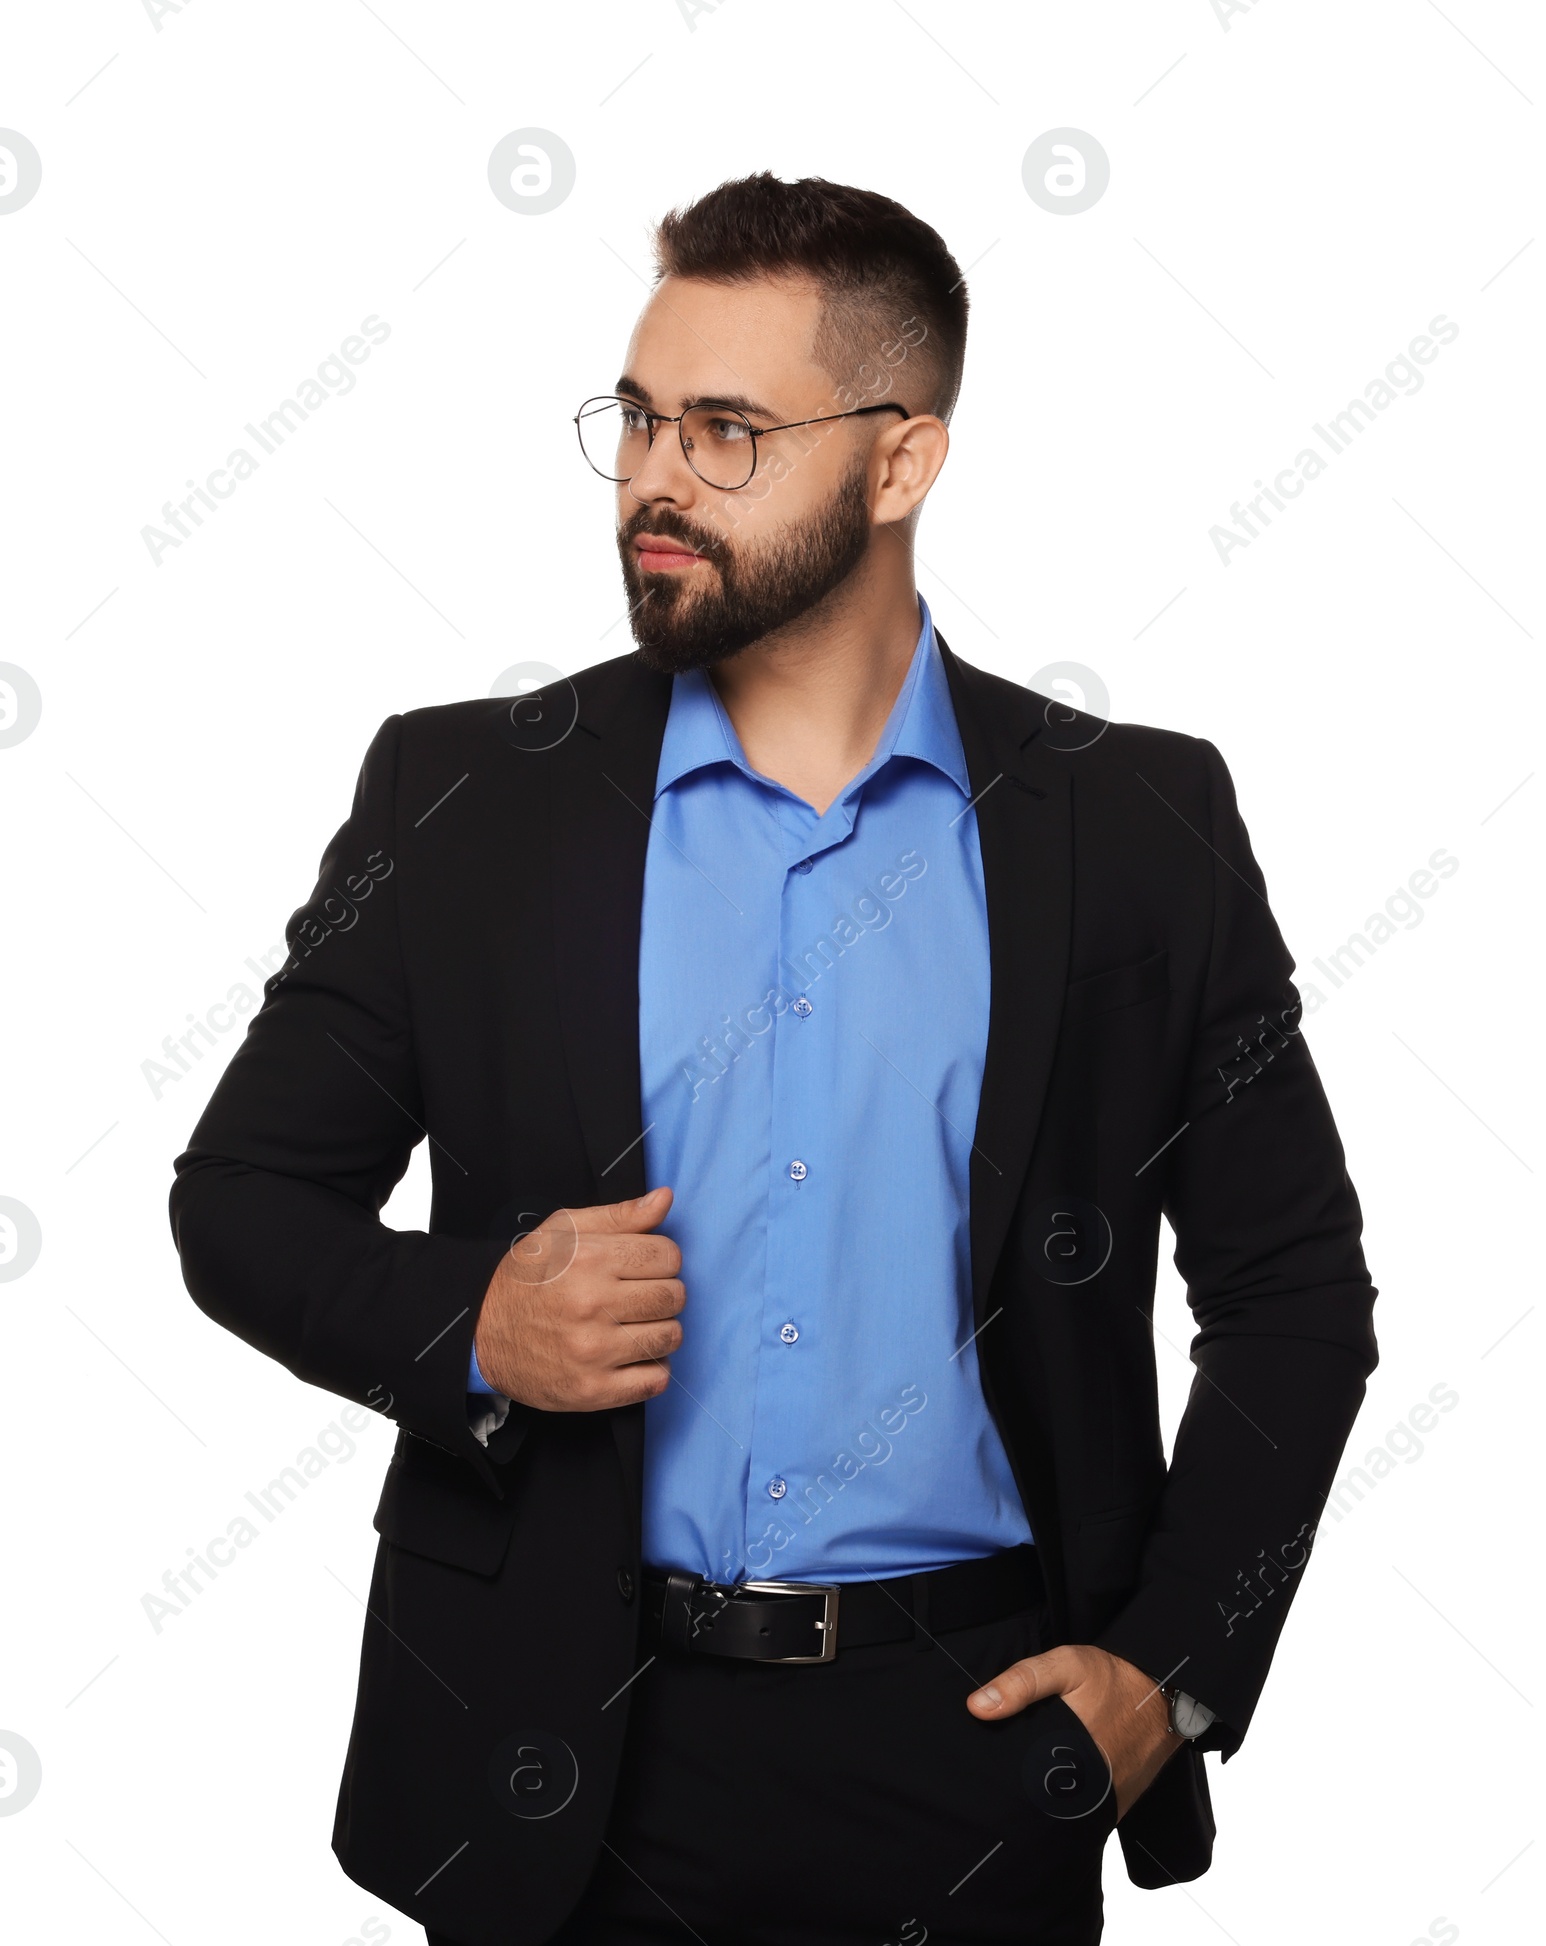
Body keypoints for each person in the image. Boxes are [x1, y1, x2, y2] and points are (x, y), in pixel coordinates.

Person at [169, 173, 1379, 1946]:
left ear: (901, 464)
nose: (655, 478)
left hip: (981, 1749)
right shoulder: (464, 796)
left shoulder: (1134, 824)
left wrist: (1168, 1674)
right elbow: (242, 1200)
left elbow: (1294, 1289)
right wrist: (476, 1325)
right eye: (641, 421)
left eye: (727, 431)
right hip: (557, 1763)